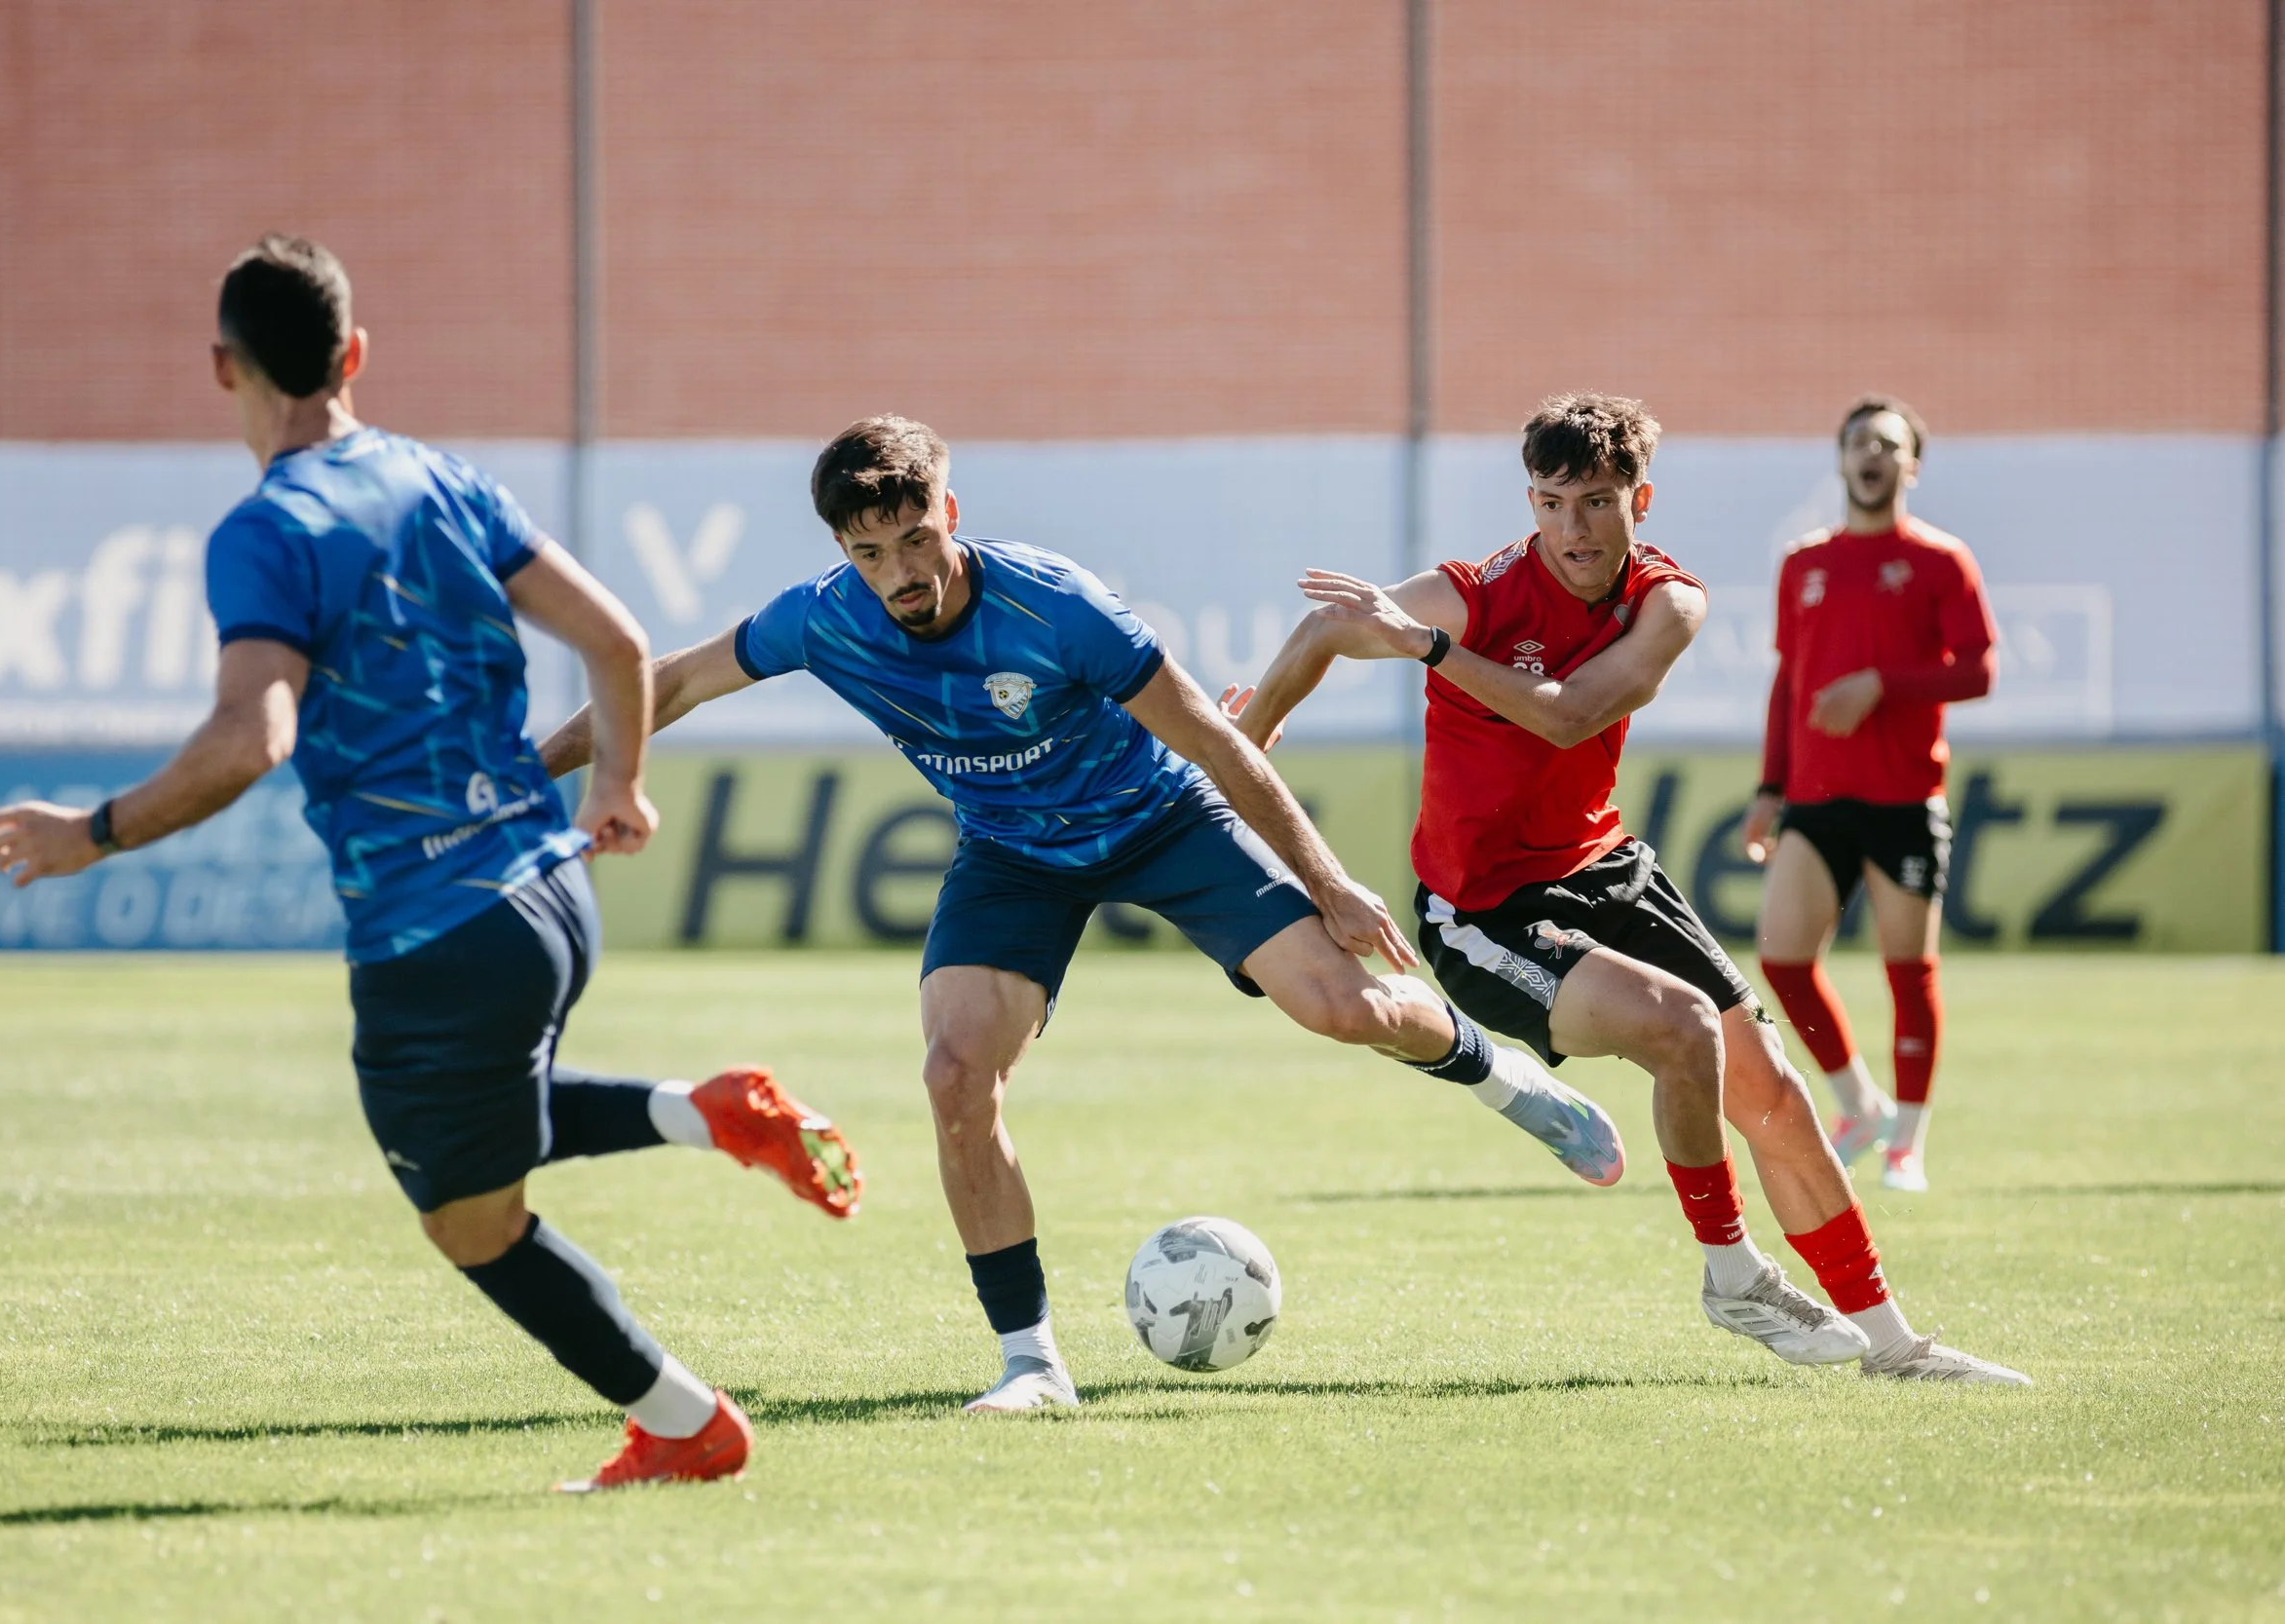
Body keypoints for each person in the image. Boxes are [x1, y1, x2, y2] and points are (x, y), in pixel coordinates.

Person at [0, 235, 862, 1492]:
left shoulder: (265, 531)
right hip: (549, 891)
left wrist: (95, 831)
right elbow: (618, 639)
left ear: (221, 367)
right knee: (485, 1130)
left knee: (471, 1216)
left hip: (431, 931)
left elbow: (252, 735)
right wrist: (617, 785)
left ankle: (685, 1423)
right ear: (354, 356)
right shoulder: (441, 479)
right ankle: (701, 1109)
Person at [541, 414, 1626, 1413]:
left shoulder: (1052, 605)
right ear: (840, 551)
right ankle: (1031, 1363)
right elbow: (669, 682)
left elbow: (1208, 738)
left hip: (1163, 818)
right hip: (1013, 855)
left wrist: (1331, 880)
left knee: (1346, 1007)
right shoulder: (821, 622)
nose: (898, 574)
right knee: (955, 1075)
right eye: (868, 554)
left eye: (914, 539)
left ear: (948, 514)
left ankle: (1501, 1075)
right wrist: (527, 769)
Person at [1229, 393, 2025, 1383]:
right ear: (1530, 502)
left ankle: (1895, 1347)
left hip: (1608, 868)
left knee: (1774, 1092)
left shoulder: (1668, 600)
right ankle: (1731, 1270)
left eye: (1597, 501)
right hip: (1482, 910)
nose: (1573, 527)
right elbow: (1326, 628)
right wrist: (1251, 732)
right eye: (1554, 502)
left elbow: (1569, 716)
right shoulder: (1474, 590)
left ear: (1638, 498)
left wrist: (1428, 649)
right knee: (1682, 1027)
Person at [1740, 397, 1996, 1193]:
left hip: (1903, 800)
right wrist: (1769, 786)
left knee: (1906, 970)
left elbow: (1977, 669)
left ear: (1910, 465)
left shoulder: (1940, 560)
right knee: (1780, 960)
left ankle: (1906, 1145)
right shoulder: (1803, 562)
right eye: (1858, 442)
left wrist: (1881, 685)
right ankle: (1859, 1104)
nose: (1871, 454)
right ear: (1842, 458)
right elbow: (1789, 681)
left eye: (1888, 444)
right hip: (1815, 797)